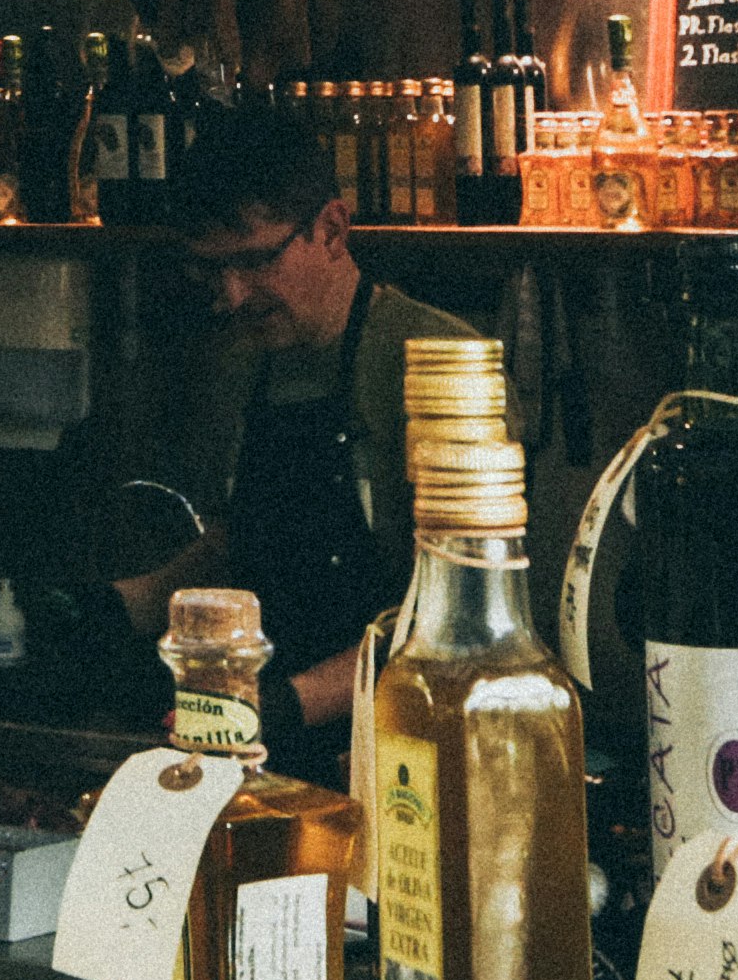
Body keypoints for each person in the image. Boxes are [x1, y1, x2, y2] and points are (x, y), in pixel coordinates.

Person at [104, 120, 511, 777]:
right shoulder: (248, 358)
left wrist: (288, 704)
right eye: (212, 269)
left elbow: (458, 621)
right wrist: (127, 603)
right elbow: (249, 544)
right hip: (266, 745)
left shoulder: (443, 365)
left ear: (331, 229)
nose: (233, 295)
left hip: (405, 753)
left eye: (258, 260)